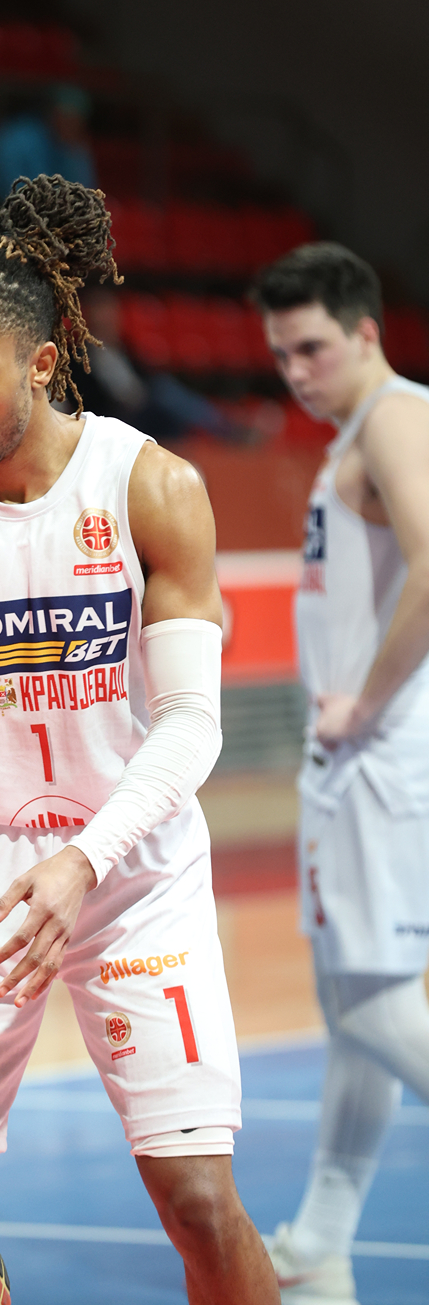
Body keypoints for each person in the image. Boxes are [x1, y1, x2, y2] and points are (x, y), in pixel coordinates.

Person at [0, 174, 279, 1303]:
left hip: (126, 868)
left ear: (39, 364)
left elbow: (191, 725)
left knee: (198, 1201)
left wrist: (86, 859)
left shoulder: (151, 488)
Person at [254, 243, 429, 1304]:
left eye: (312, 348)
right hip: (359, 761)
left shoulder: (396, 417)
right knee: (350, 1005)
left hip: (378, 757)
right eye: (281, 356)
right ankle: (320, 1244)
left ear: (366, 332)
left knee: (369, 1006)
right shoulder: (356, 436)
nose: (295, 373)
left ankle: (320, 1243)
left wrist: (362, 701)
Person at [76, 287, 249, 443]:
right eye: (101, 313)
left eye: (110, 312)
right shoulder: (81, 354)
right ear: (90, 317)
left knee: (165, 388)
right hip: (117, 411)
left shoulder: (123, 347)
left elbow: (144, 373)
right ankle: (225, 428)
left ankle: (223, 427)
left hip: (144, 402)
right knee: (164, 392)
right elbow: (90, 395)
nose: (108, 318)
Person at [0, 84, 97, 202]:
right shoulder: (17, 138)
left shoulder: (75, 148)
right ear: (52, 113)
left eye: (76, 120)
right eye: (66, 117)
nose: (71, 125)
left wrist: (72, 153)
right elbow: (8, 186)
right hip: (6, 205)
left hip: (55, 209)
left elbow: (85, 192)